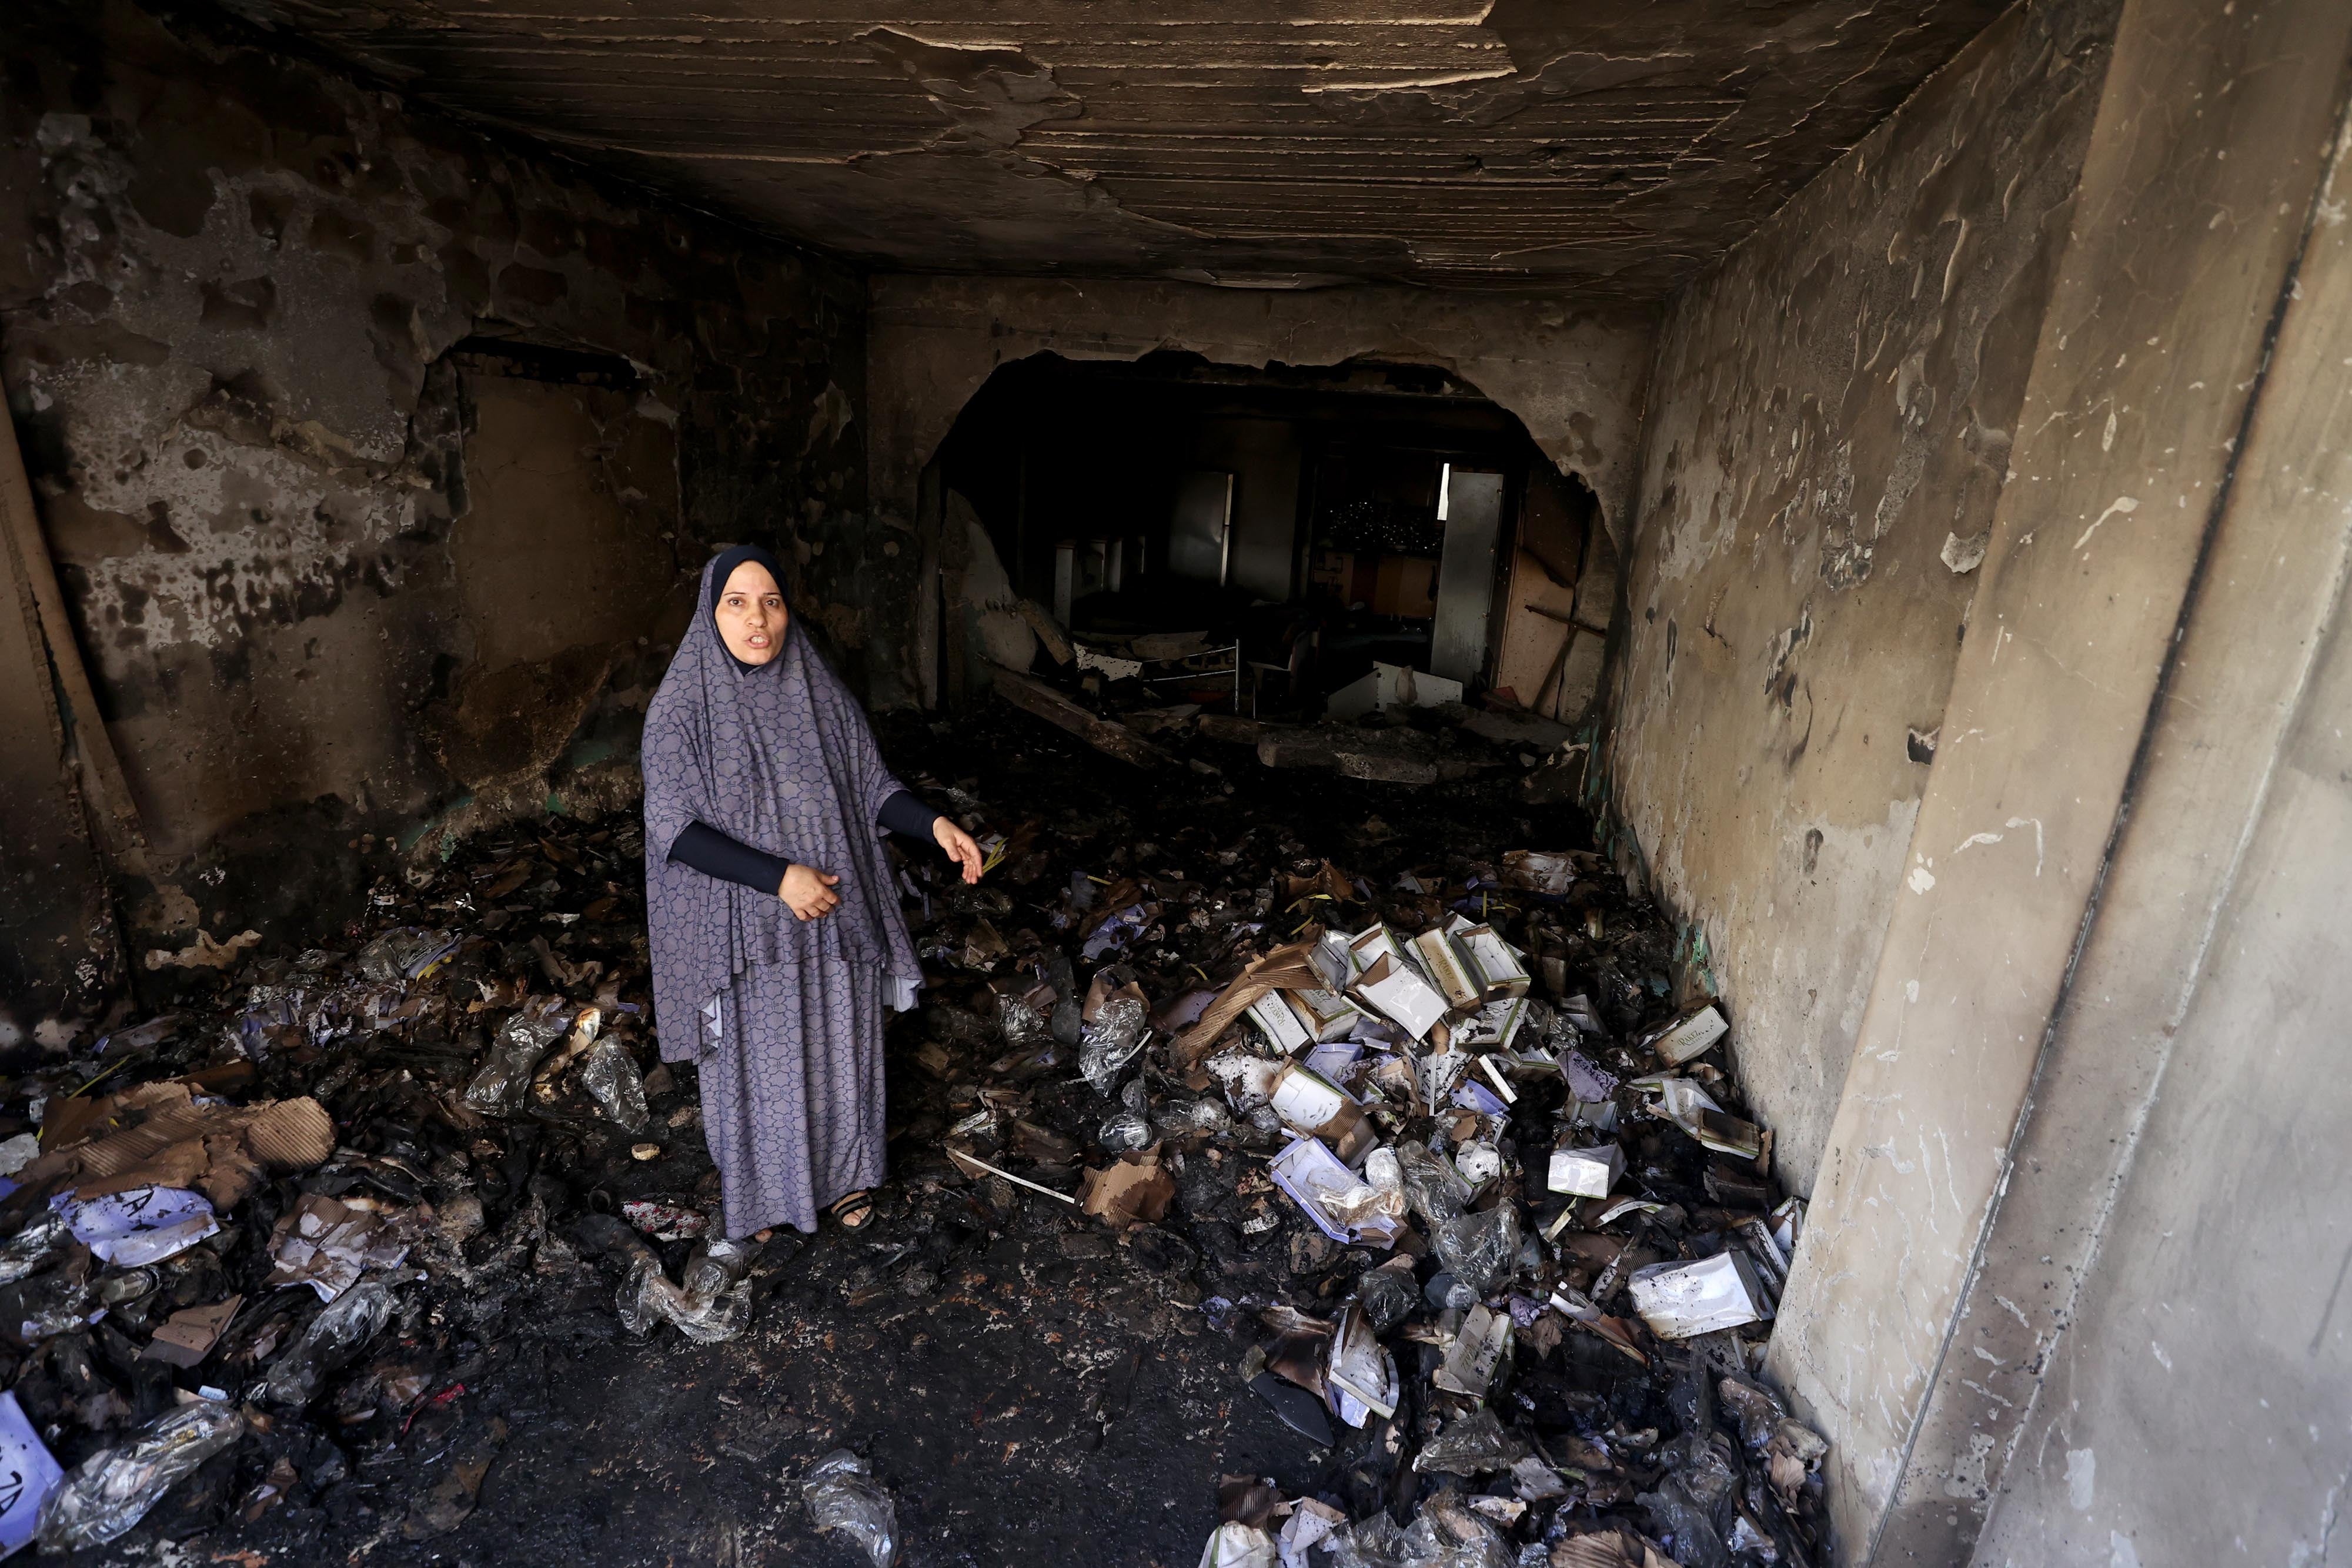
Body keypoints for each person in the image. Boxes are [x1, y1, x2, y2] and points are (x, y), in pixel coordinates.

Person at [640, 545, 981, 1236]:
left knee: (839, 1056)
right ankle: (762, 1201)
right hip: (749, 932)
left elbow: (869, 786)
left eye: (771, 601)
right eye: (736, 602)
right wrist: (778, 878)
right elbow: (674, 830)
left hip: (833, 917)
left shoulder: (818, 690)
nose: (757, 619)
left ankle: (846, 1178)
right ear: (711, 613)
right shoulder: (681, 709)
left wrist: (933, 823)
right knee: (757, 1072)